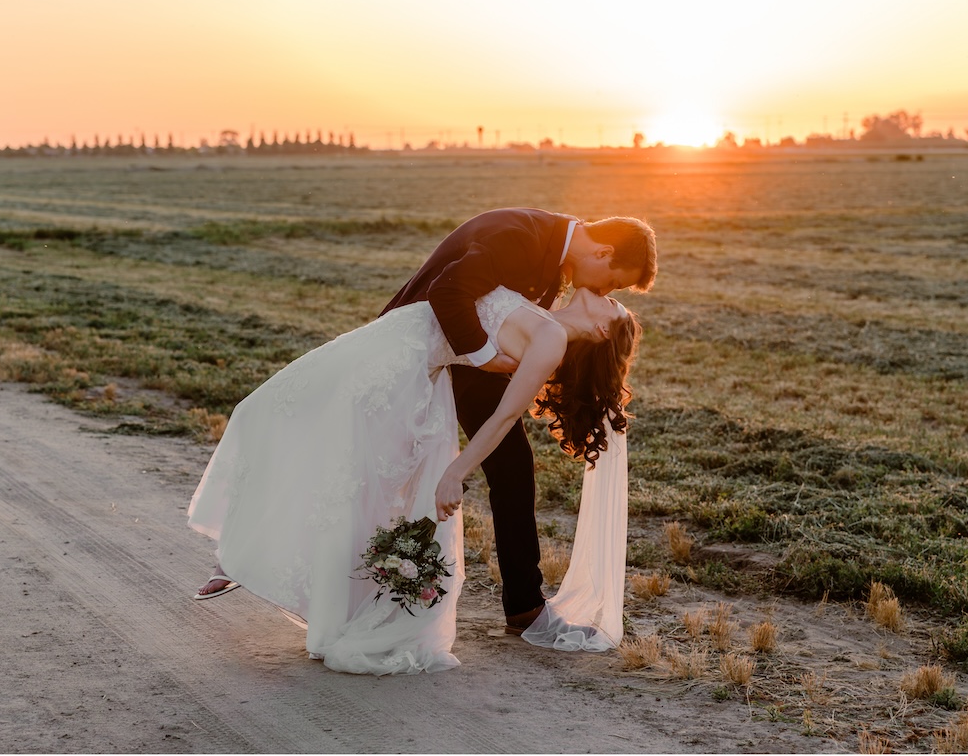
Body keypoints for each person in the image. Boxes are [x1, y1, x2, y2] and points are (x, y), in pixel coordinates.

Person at [187, 265, 644, 674]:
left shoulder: (551, 341)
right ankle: (255, 555)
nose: (611, 294)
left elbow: (504, 417)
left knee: (342, 469)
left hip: (400, 365)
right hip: (391, 343)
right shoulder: (544, 310)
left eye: (615, 303)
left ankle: (256, 560)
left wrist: (456, 473)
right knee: (270, 416)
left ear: (605, 329)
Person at [380, 208, 657, 634]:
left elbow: (523, 346)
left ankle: (524, 606)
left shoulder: (557, 267)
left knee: (512, 466)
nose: (607, 291)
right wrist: (488, 359)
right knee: (381, 461)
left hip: (466, 356)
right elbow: (449, 291)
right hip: (423, 347)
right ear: (603, 252)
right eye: (615, 283)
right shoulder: (521, 238)